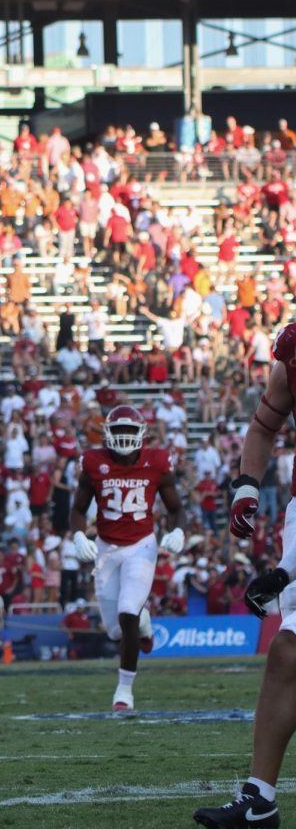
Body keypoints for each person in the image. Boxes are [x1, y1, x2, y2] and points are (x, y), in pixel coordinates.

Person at [195, 322, 296, 828]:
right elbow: (263, 425)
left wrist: (283, 571)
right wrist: (246, 485)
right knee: (287, 653)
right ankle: (260, 800)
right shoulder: (292, 349)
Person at [69, 405, 184, 713]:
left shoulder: (157, 461)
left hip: (141, 546)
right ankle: (145, 627)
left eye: (128, 431)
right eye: (117, 431)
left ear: (141, 434)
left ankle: (124, 692)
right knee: (115, 630)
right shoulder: (94, 462)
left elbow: (175, 507)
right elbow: (78, 509)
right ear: (107, 433)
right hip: (106, 547)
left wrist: (178, 531)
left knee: (128, 610)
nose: (122, 437)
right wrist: (79, 535)